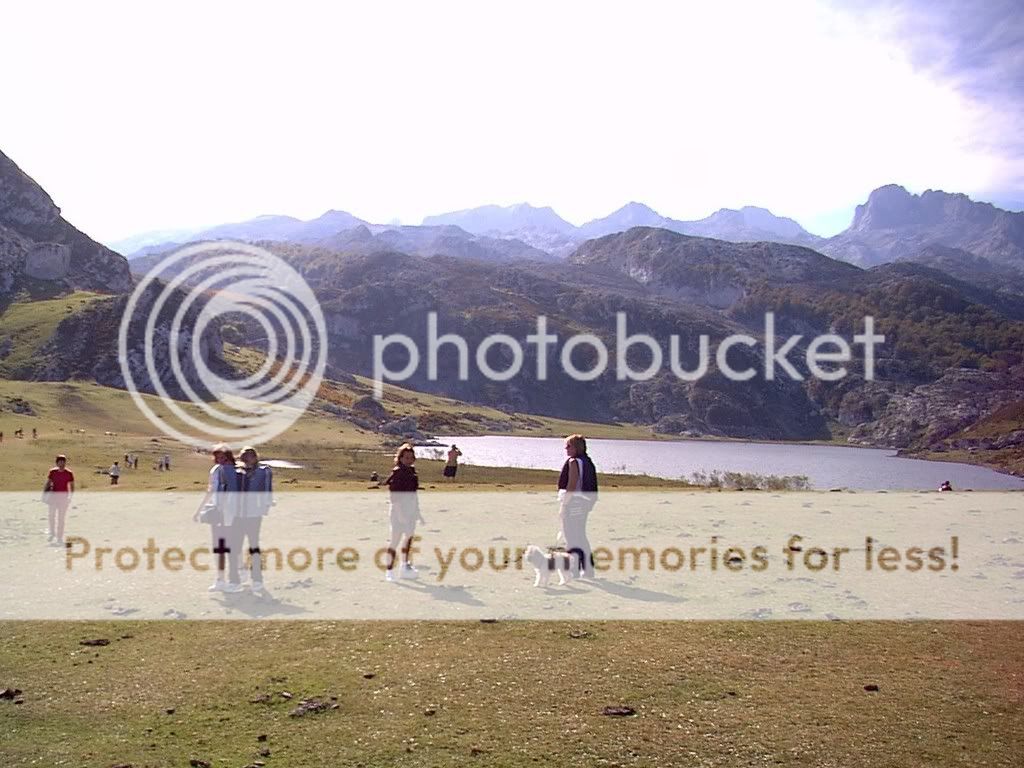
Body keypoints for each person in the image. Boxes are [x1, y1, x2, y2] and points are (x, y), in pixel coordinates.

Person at [193, 445, 243, 592]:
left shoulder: (237, 472)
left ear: (229, 457)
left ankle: (235, 579)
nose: (220, 460)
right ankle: (220, 579)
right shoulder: (215, 471)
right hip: (217, 512)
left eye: (223, 457)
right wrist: (200, 510)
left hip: (233, 513)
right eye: (218, 457)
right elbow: (211, 492)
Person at [557, 434, 598, 579]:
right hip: (584, 502)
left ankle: (574, 570)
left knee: (571, 535)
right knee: (580, 535)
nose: (566, 449)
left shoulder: (574, 462)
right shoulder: (587, 462)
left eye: (569, 446)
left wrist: (564, 504)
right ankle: (587, 569)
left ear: (577, 447)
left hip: (574, 502)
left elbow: (572, 484)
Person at [383, 443, 425, 582]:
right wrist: (400, 514)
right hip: (398, 511)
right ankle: (389, 570)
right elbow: (394, 496)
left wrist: (418, 513)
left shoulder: (413, 473)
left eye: (411, 457)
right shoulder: (398, 472)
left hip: (410, 511)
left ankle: (404, 566)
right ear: (400, 458)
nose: (409, 460)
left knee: (408, 540)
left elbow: (414, 495)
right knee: (395, 540)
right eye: (406, 457)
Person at [237, 446, 273, 596]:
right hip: (238, 513)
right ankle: (242, 571)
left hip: (254, 513)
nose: (247, 459)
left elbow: (267, 490)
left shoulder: (263, 471)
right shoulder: (238, 471)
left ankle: (257, 578)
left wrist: (265, 506)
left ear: (255, 457)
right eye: (244, 457)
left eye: (250, 456)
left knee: (254, 544)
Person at [44, 454, 74, 545]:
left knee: (61, 518)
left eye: (63, 462)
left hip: (63, 498)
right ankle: (52, 533)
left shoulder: (69, 473)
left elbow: (72, 487)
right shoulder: (52, 472)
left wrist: (70, 497)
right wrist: (44, 495)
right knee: (51, 516)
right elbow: (48, 483)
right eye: (60, 462)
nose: (61, 463)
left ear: (65, 462)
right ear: (57, 463)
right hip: (53, 497)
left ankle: (59, 536)